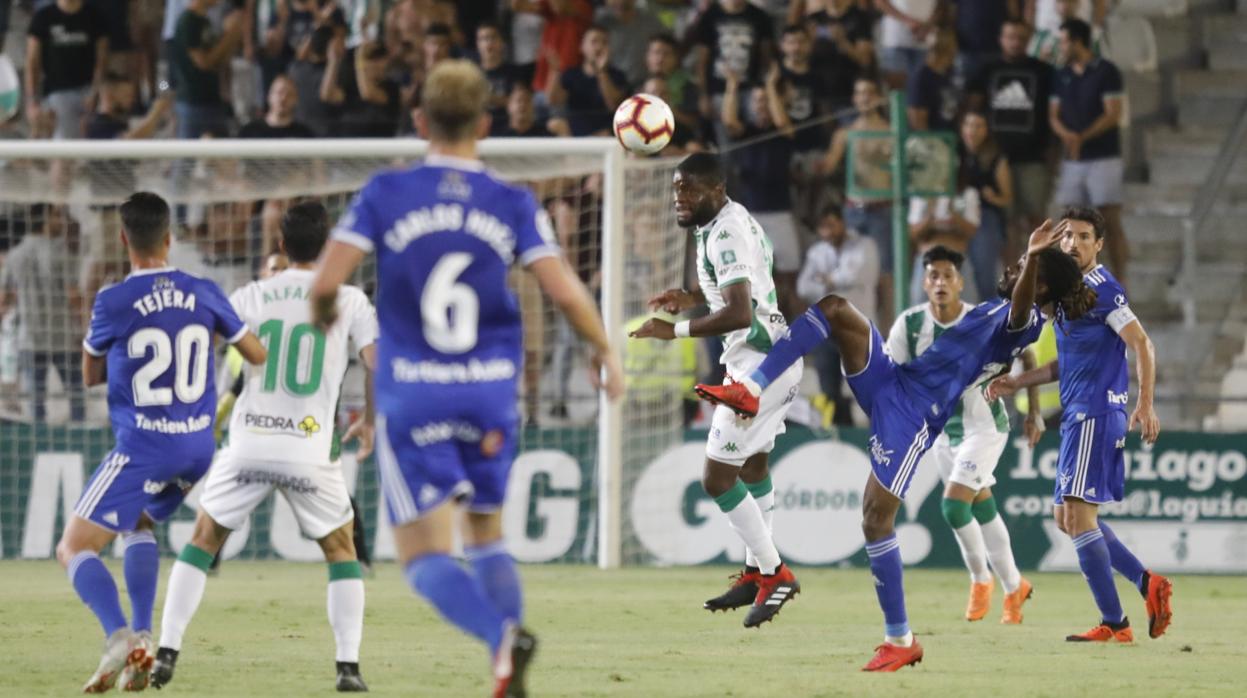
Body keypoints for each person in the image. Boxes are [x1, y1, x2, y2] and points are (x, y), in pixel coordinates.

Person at [308, 59, 624, 697]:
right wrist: (604, 350)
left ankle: (501, 640)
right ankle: (507, 665)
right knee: (485, 531)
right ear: (486, 122)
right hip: (489, 392)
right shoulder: (510, 200)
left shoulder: (385, 193)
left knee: (423, 558)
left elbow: (324, 285)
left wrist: (322, 319)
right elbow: (563, 289)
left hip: (414, 392)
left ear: (420, 119)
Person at [695, 219, 1094, 670]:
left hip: (915, 415)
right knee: (835, 309)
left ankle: (900, 639)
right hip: (895, 382)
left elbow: (1022, 309)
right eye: (1020, 263)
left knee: (874, 519)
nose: (1014, 268)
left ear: (1039, 288)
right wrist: (1034, 262)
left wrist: (1035, 253)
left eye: (1025, 269)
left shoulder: (1024, 320)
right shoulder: (993, 308)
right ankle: (752, 387)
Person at [152, 202, 374, 692]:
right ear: (330, 246)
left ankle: (167, 650)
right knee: (341, 549)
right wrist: (373, 421)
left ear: (280, 244)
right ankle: (348, 667)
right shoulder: (350, 300)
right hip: (310, 449)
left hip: (249, 441)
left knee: (204, 539)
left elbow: (200, 347)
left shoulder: (250, 294)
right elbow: (377, 362)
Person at [57, 192, 266, 692]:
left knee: (72, 547)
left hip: (144, 445)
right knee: (139, 523)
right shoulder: (205, 290)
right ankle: (144, 638)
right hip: (197, 447)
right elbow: (255, 353)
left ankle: (115, 636)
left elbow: (89, 373)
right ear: (170, 238)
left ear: (124, 239)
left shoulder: (113, 300)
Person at [630, 152, 803, 627]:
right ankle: (754, 572)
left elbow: (740, 312)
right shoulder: (730, 220)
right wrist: (690, 297)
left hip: (760, 366)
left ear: (717, 190)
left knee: (716, 478)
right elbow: (741, 288)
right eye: (675, 190)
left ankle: (775, 574)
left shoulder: (724, 230)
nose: (679, 199)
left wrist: (676, 330)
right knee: (752, 465)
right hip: (768, 359)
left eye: (688, 189)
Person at [988, 207, 1173, 643]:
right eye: (1067, 235)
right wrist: (1019, 380)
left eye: (1084, 236)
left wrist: (1144, 405)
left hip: (1096, 413)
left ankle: (1115, 624)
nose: (1073, 243)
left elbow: (1142, 344)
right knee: (1066, 518)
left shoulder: (1104, 290)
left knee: (1077, 515)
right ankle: (1149, 585)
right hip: (1076, 415)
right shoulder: (1070, 295)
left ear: (1099, 245)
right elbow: (1062, 365)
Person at [889, 245, 1040, 624]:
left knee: (954, 507)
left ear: (960, 282)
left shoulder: (983, 318)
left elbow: (1029, 355)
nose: (940, 282)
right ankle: (1014, 588)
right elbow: (895, 379)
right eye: (933, 276)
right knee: (982, 507)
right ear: (925, 283)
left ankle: (980, 580)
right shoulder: (908, 325)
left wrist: (1032, 410)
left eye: (947, 276)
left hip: (985, 426)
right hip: (941, 433)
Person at [966, 18, 1055, 261]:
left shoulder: (1043, 71)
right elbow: (973, 108)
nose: (1015, 42)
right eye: (1010, 37)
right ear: (1001, 39)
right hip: (996, 158)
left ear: (1028, 40)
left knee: (1036, 218)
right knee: (1008, 222)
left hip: (1032, 157)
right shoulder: (987, 70)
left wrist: (1052, 157)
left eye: (1020, 37)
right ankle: (1013, 277)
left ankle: (1042, 274)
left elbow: (1052, 115)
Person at [1049, 18, 1128, 286]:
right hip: (1073, 159)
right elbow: (1053, 114)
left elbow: (1113, 113)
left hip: (1103, 155)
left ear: (1077, 41)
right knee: (1069, 221)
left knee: (1109, 218)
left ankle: (1119, 280)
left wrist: (1082, 137)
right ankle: (1073, 281)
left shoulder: (1106, 71)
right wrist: (1068, 136)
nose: (1060, 46)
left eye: (1063, 41)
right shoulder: (1061, 74)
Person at [0, 204, 85, 422]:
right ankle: (80, 444)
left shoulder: (15, 255)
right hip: (62, 337)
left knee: (35, 401)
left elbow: (5, 299)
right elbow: (73, 295)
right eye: (57, 216)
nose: (62, 221)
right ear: (46, 220)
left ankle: (38, 448)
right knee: (76, 397)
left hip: (29, 339)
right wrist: (87, 328)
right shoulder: (60, 253)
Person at [796, 207, 878, 426]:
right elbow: (803, 287)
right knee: (829, 389)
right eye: (823, 228)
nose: (828, 232)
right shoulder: (817, 252)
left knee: (864, 387)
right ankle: (839, 432)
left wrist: (827, 280)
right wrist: (838, 282)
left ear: (842, 223)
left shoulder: (865, 246)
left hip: (857, 328)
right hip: (826, 330)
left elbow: (860, 274)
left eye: (832, 225)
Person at [25, 0, 109, 140]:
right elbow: (32, 62)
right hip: (57, 92)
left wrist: (94, 93)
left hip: (89, 91)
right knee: (64, 141)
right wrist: (32, 101)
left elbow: (102, 60)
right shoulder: (43, 17)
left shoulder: (95, 16)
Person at [170, 0, 246, 139]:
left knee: (220, 155)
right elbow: (203, 62)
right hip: (193, 102)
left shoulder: (205, 21)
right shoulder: (189, 20)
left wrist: (234, 35)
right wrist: (229, 35)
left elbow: (218, 60)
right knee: (189, 157)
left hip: (212, 98)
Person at [958, 110, 1013, 302]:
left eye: (978, 126)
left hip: (985, 217)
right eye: (969, 125)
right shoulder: (953, 153)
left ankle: (990, 319)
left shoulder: (996, 158)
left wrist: (991, 197)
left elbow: (1007, 198)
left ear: (986, 130)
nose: (972, 131)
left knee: (985, 275)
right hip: (955, 217)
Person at [545, 24, 627, 137]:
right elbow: (554, 100)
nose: (599, 47)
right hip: (575, 127)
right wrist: (555, 71)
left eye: (604, 42)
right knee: (555, 124)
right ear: (582, 47)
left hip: (605, 129)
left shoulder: (617, 75)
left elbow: (613, 105)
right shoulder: (571, 74)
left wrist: (602, 72)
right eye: (594, 42)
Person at [594, 0, 665, 88]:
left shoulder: (652, 23)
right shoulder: (599, 22)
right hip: (608, 86)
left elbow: (668, 50)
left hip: (644, 87)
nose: (620, 2)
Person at [906, 28, 959, 132]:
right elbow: (917, 120)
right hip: (931, 140)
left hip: (950, 137)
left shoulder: (952, 72)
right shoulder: (920, 77)